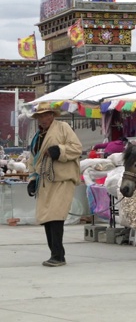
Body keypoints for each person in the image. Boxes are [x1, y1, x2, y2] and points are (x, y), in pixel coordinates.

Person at [26, 105, 83, 267]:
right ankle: (55, 253)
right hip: (44, 181)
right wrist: (32, 179)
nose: (43, 118)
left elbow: (77, 148)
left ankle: (58, 255)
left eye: (46, 115)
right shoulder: (37, 137)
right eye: (40, 116)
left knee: (56, 215)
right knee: (46, 217)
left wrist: (59, 150)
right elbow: (33, 160)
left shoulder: (63, 128)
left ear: (52, 115)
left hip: (62, 179)